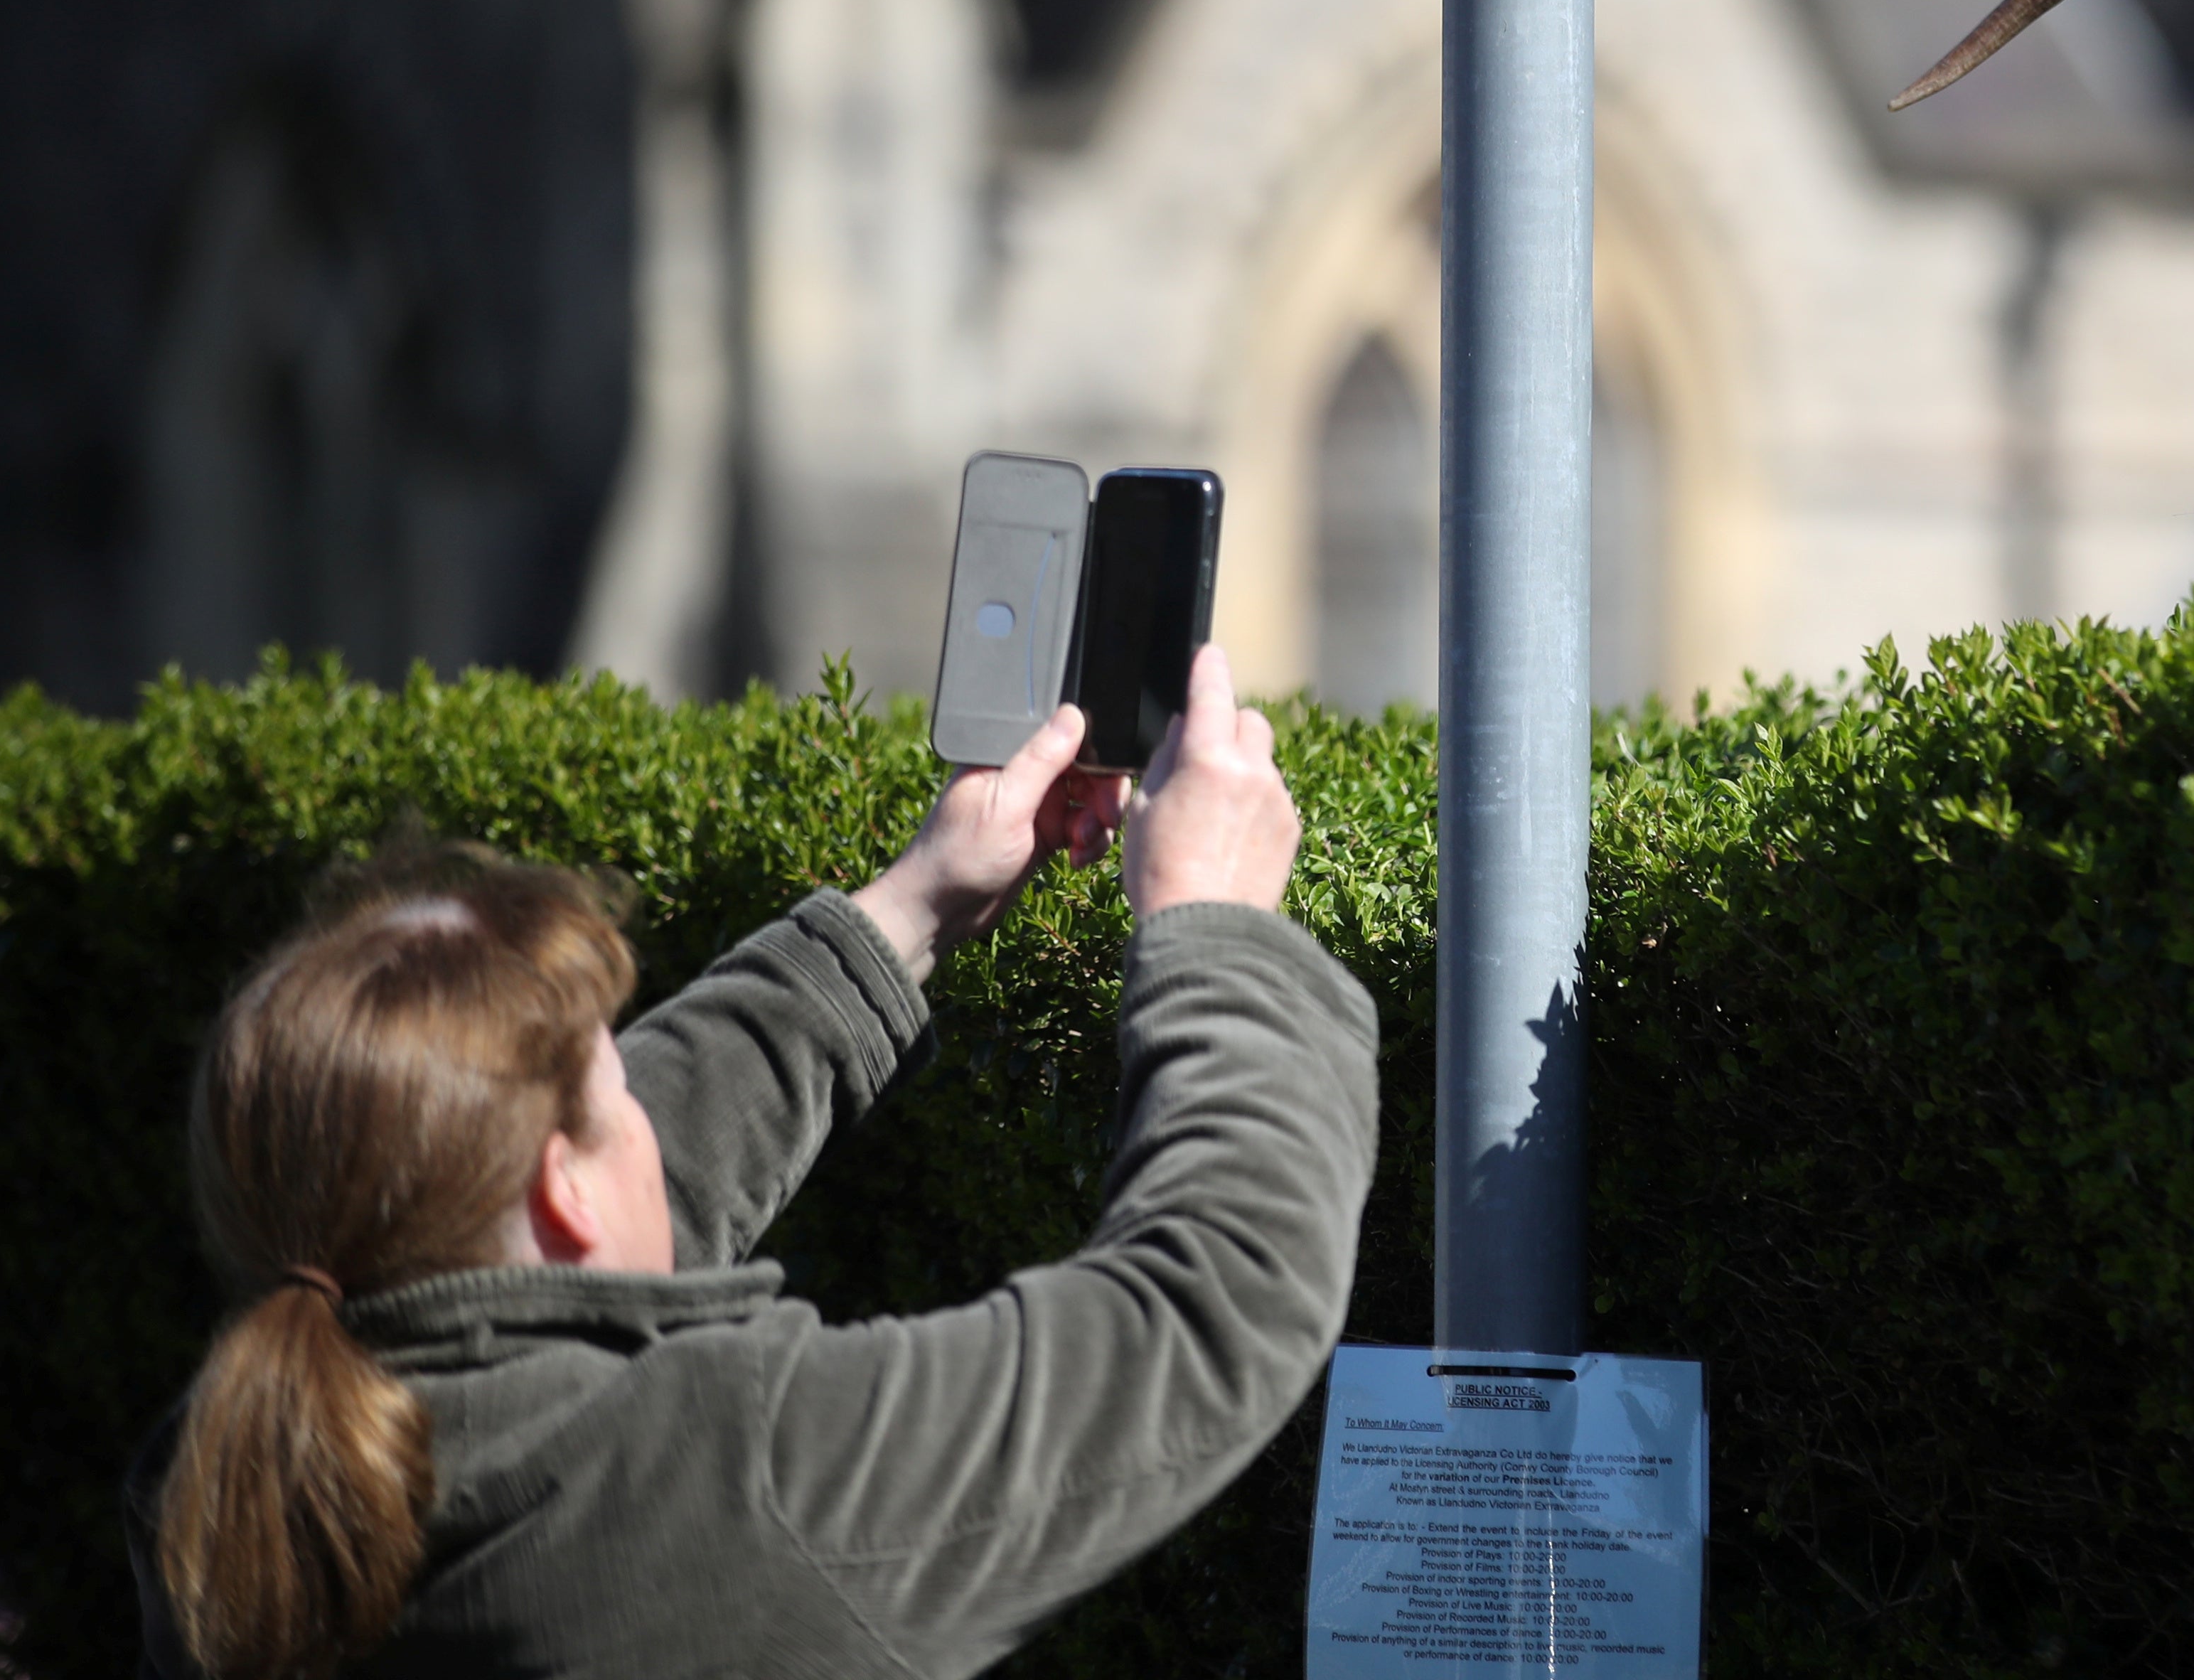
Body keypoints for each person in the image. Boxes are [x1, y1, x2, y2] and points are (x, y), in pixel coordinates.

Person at [129, 641, 1375, 1680]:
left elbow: (588, 1219)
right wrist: (1215, 926)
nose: (647, 1117)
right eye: (614, 1093)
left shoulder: (234, 1479)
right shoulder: (734, 1476)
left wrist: (914, 908)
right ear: (561, 1187)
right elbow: (1214, 1303)